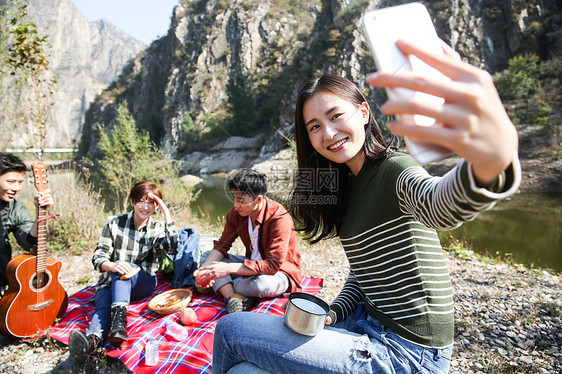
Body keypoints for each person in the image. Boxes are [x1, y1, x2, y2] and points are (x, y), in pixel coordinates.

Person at [212, 38, 521, 373]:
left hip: (407, 352)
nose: (328, 133)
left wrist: (490, 164)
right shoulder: (346, 185)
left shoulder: (394, 169)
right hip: (363, 323)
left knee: (231, 330)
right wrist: (335, 312)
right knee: (244, 369)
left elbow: (439, 207)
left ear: (363, 112)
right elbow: (364, 272)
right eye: (314, 127)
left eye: (335, 116)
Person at [68, 181, 178, 361]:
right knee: (103, 303)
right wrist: (111, 266)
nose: (145, 206)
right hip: (112, 282)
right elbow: (98, 257)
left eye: (151, 202)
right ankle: (92, 342)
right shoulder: (114, 223)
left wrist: (166, 211)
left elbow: (172, 248)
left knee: (124, 265)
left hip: (143, 282)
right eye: (141, 201)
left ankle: (119, 321)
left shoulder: (158, 229)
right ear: (133, 201)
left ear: (156, 205)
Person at [194, 169, 303, 314]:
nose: (235, 205)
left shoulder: (279, 217)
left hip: (278, 273)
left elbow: (272, 265)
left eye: (241, 200)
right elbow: (222, 245)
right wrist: (204, 271)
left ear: (258, 199)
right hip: (251, 265)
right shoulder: (237, 213)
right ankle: (233, 298)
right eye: (234, 198)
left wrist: (227, 270)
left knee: (262, 285)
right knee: (207, 257)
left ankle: (231, 287)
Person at [0, 153, 54, 295]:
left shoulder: (14, 208)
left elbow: (29, 242)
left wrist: (40, 212)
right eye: (11, 182)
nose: (16, 188)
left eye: (20, 182)